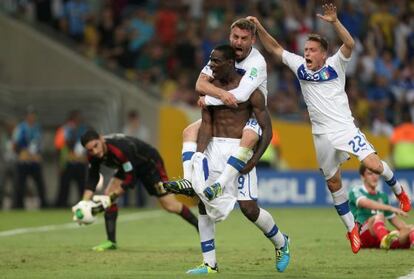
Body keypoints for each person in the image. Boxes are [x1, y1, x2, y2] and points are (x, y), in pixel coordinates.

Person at [247, 2, 411, 254]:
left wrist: (334, 22)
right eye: (306, 49)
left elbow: (350, 45)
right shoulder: (300, 66)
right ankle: (351, 229)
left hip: (345, 128)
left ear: (323, 53)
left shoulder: (336, 65)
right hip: (321, 135)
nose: (307, 53)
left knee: (375, 165)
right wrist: (258, 28)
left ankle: (400, 192)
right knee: (334, 183)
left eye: (312, 50)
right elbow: (275, 48)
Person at [165, 45, 290, 274]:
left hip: (239, 150)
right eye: (210, 60)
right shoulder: (209, 90)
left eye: (215, 61)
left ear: (230, 63)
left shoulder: (250, 92)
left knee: (249, 209)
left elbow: (267, 130)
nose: (211, 65)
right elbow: (206, 126)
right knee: (203, 202)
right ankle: (209, 263)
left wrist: (253, 161)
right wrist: (199, 156)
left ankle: (282, 242)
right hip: (214, 147)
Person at [177, 18, 269, 197]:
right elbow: (200, 84)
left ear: (253, 41)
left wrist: (209, 100)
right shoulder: (223, 55)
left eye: (244, 38)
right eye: (235, 37)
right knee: (189, 132)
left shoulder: (257, 63)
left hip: (250, 114)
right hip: (225, 112)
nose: (238, 42)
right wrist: (221, 95)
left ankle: (221, 183)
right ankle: (188, 180)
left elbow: (241, 96)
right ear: (230, 36)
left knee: (249, 136)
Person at [74, 129, 198, 251]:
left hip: (150, 165)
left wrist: (111, 198)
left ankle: (200, 226)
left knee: (170, 206)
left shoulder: (120, 149)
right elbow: (92, 178)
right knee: (108, 193)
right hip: (127, 167)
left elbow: (130, 179)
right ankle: (111, 242)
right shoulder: (93, 156)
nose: (95, 151)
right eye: (90, 149)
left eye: (96, 146)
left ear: (101, 139)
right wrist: (84, 202)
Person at [349, 164, 414, 249]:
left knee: (410, 229)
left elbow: (397, 223)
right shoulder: (356, 190)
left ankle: (388, 240)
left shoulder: (383, 196)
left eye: (376, 173)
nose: (374, 177)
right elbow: (364, 202)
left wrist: (409, 229)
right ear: (363, 176)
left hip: (379, 234)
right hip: (361, 234)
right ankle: (384, 239)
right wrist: (390, 207)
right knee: (378, 216)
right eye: (370, 174)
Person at [12, 106, 48, 209]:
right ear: (26, 116)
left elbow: (40, 144)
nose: (31, 117)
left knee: (40, 184)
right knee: (20, 184)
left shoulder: (37, 128)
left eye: (33, 115)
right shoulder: (20, 128)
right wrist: (22, 153)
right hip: (23, 161)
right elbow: (15, 145)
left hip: (35, 161)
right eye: (30, 115)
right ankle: (18, 206)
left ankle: (44, 205)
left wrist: (38, 155)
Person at [54, 110, 88, 207]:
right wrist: (61, 163)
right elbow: (59, 147)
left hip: (80, 162)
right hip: (68, 162)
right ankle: (61, 205)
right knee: (64, 187)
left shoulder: (83, 129)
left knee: (82, 187)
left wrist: (85, 157)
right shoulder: (64, 130)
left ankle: (84, 205)